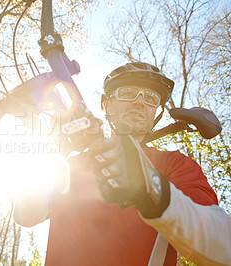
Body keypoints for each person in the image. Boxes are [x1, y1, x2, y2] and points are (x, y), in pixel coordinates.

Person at [14, 62, 231, 265]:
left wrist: (153, 189)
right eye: (128, 93)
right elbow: (26, 214)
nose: (139, 101)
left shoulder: (172, 164)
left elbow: (224, 246)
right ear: (106, 104)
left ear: (156, 111)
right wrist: (54, 152)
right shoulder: (72, 166)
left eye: (150, 97)